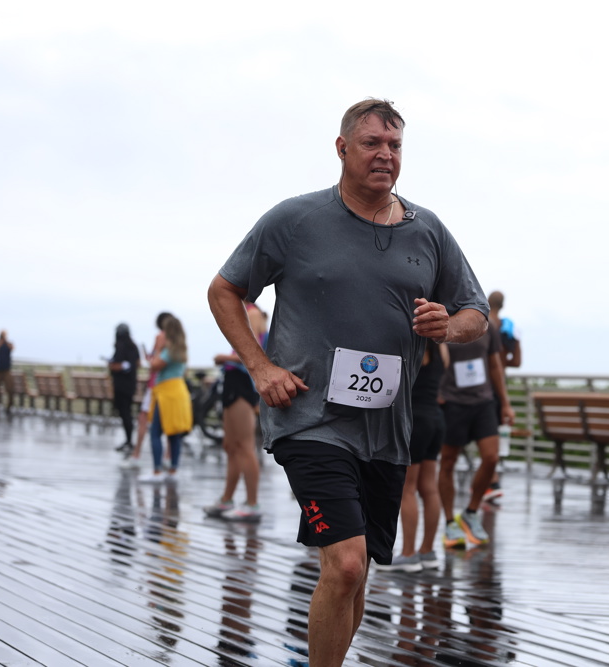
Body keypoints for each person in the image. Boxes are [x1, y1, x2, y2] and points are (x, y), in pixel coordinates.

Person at [207, 98, 489, 667]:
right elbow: (224, 291)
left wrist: (447, 324)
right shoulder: (295, 220)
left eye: (395, 145)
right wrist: (261, 368)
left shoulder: (427, 229)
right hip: (309, 418)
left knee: (355, 575)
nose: (385, 155)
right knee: (347, 563)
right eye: (371, 143)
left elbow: (475, 313)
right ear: (342, 149)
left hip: (386, 429)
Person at [438, 318, 515, 548]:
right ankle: (450, 522)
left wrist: (505, 403)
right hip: (451, 402)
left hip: (483, 401)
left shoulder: (486, 325)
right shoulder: (442, 320)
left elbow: (495, 365)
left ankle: (470, 512)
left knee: (491, 457)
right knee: (448, 462)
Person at [375, 343, 448, 572]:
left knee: (408, 489)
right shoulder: (441, 348)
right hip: (436, 419)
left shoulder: (414, 345)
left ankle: (408, 554)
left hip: (415, 420)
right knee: (430, 488)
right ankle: (427, 551)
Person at [204, 302, 268, 522]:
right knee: (230, 445)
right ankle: (227, 499)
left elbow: (253, 354)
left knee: (244, 445)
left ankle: (252, 503)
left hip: (242, 382)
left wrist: (224, 358)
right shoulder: (244, 312)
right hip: (231, 381)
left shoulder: (253, 313)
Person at [139, 313, 192, 483]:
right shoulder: (181, 350)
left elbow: (154, 366)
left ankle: (157, 471)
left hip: (167, 393)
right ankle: (173, 470)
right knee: (174, 434)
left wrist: (158, 348)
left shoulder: (168, 351)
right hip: (179, 391)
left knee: (155, 432)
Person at [483, 290, 521, 503]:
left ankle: (491, 481)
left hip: (477, 389)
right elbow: (516, 362)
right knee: (492, 437)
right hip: (499, 389)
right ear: (503, 305)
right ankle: (491, 481)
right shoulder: (507, 330)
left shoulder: (482, 324)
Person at [109, 323, 140, 452]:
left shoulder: (120, 346)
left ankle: (128, 441)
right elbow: (137, 363)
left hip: (121, 386)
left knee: (125, 414)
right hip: (131, 385)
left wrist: (114, 365)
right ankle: (129, 440)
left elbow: (115, 365)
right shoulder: (134, 347)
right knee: (128, 413)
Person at [0, 330, 15, 414]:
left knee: (10, 388)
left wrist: (6, 342)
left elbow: (12, 348)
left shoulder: (8, 344)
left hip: (6, 370)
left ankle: (9, 407)